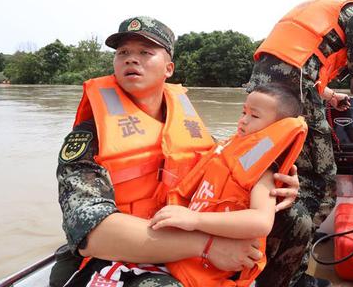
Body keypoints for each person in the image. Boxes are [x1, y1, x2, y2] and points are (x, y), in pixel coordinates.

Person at [52, 16, 301, 287]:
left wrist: (271, 182)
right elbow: (93, 235)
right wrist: (207, 246)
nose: (131, 59)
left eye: (145, 52)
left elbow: (229, 162)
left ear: (168, 68)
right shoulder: (90, 137)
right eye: (123, 52)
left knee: (294, 220)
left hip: (185, 235)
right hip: (118, 256)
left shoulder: (189, 127)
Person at [248, 0, 353, 287]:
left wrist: (327, 95)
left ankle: (259, 264)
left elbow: (289, 66)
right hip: (293, 92)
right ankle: (291, 276)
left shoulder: (312, 8)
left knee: (277, 174)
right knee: (319, 184)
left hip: (260, 95)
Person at [150, 83, 307, 286]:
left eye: (254, 116)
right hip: (190, 250)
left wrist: (195, 219)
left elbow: (261, 221)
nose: (243, 120)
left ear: (277, 128)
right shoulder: (228, 148)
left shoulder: (263, 172)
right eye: (243, 112)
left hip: (215, 264)